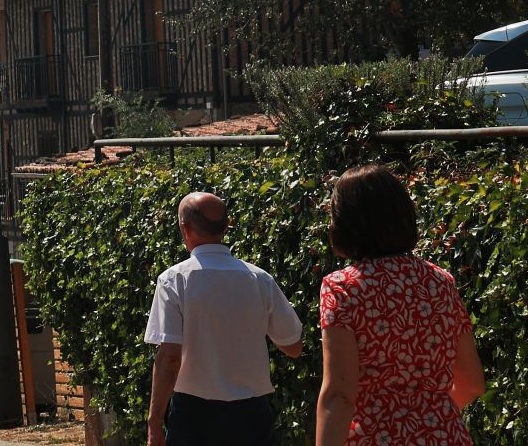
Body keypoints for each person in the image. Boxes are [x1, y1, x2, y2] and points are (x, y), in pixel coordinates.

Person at [315, 164, 484, 446]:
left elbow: (340, 395)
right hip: (443, 435)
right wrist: (426, 417)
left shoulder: (342, 288)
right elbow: (472, 382)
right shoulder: (440, 282)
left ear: (346, 224)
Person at [144, 191, 305, 446]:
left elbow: (170, 357)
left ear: (185, 228)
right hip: (251, 414)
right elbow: (293, 346)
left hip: (194, 416)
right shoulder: (259, 279)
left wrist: (154, 421)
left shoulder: (174, 280)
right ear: (226, 226)